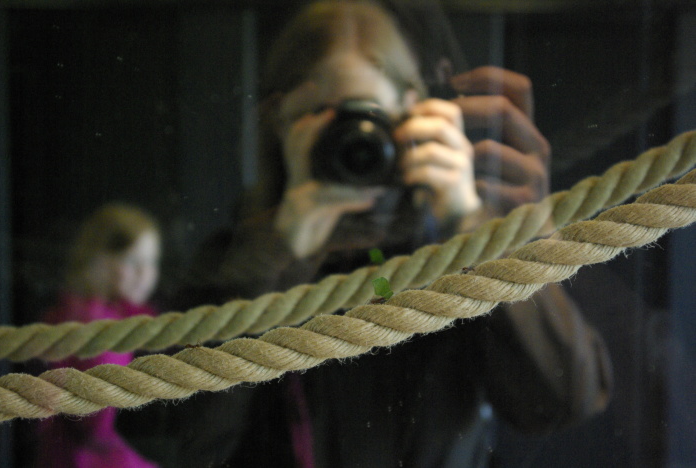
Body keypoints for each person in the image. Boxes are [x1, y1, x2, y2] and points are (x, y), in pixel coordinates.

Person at [118, 2, 612, 467]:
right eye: (330, 122)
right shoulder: (239, 261)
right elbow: (174, 436)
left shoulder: (446, 260)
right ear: (282, 123)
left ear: (419, 116)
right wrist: (278, 251)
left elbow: (561, 403)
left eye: (374, 121)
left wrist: (472, 225)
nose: (357, 147)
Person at [36, 203, 161, 468]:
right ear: (101, 259)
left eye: (151, 262)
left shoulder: (79, 312)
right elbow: (95, 430)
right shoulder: (97, 326)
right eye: (132, 261)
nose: (145, 274)